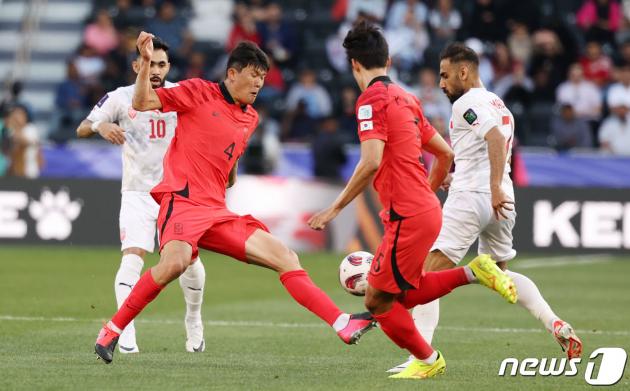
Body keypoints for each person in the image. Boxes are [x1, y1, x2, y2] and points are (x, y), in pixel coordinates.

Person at [94, 34, 376, 364]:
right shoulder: (198, 91)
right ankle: (112, 329)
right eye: (253, 75)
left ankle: (342, 322)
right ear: (232, 74)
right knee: (174, 263)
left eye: (262, 77)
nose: (258, 83)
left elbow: (229, 167)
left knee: (285, 256)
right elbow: (142, 103)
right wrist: (144, 66)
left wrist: (229, 172)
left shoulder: (250, 118)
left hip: (216, 210)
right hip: (182, 201)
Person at [308, 22, 517, 380]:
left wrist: (335, 208)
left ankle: (428, 357)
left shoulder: (369, 101)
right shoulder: (407, 98)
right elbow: (445, 154)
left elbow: (371, 161)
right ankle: (474, 274)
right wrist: (426, 193)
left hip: (407, 213)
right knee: (402, 294)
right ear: (387, 60)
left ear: (354, 65)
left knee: (377, 300)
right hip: (424, 209)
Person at [388, 42, 583, 373]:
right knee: (499, 274)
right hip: (502, 200)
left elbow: (493, 139)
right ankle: (555, 323)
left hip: (476, 197)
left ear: (464, 72)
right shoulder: (498, 103)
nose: (441, 83)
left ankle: (421, 359)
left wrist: (488, 186)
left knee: (424, 276)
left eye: (445, 75)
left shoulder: (467, 102)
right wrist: (467, 179)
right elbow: (484, 149)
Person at [78, 37, 206, 354]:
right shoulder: (120, 98)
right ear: (138, 65)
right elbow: (83, 126)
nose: (156, 70)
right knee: (132, 258)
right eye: (150, 63)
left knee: (188, 261)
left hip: (177, 193)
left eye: (162, 64)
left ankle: (193, 319)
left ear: (169, 67)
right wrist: (101, 127)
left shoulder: (181, 94)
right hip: (137, 191)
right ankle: (127, 331)